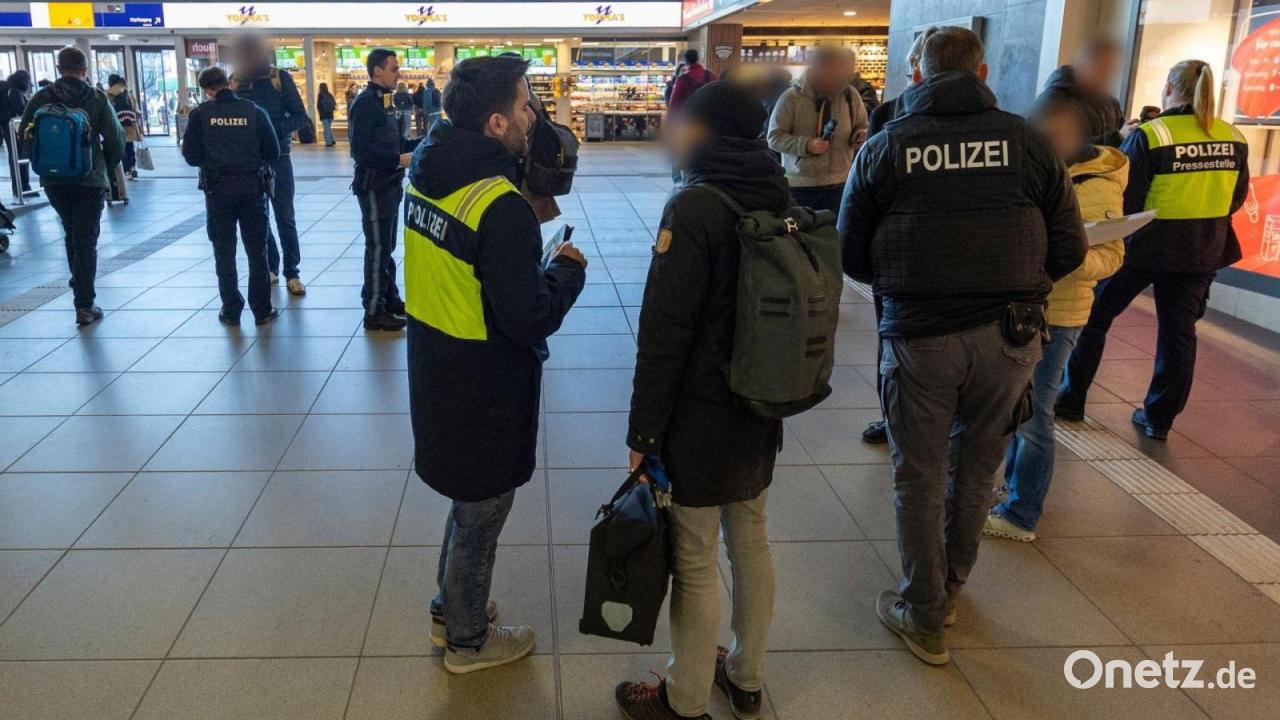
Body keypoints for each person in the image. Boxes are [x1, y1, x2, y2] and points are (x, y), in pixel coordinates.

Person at [839, 27, 1087, 666]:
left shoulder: (886, 146)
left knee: (917, 474)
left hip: (920, 337)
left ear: (915, 75)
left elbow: (851, 253)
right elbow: (1070, 248)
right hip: (1011, 338)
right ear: (981, 69)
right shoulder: (1028, 142)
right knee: (979, 467)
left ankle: (923, 615)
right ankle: (949, 590)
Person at [404, 54, 587, 674]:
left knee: (464, 505)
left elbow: (473, 277)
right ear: (497, 124)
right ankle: (467, 641)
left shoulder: (428, 173)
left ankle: (446, 607)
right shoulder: (498, 204)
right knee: (482, 515)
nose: (534, 113)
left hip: (436, 363)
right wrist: (565, 272)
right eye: (525, 105)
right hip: (483, 382)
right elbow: (529, 317)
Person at [613, 81, 786, 720]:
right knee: (751, 538)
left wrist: (643, 430)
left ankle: (682, 699)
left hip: (701, 413)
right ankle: (745, 675)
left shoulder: (694, 207)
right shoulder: (775, 191)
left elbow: (664, 336)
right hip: (762, 400)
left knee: (694, 554)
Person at [1056, 60, 1248, 440]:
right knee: (1179, 335)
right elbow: (1237, 197)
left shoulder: (1153, 134)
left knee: (1095, 318)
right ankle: (1159, 418)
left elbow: (1126, 194)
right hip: (1201, 250)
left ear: (1169, 88)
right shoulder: (1233, 136)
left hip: (1145, 247)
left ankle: (1071, 401)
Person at [983, 101, 1127, 542]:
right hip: (1015, 308)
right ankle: (1011, 491)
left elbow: (1110, 256)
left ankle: (1021, 514)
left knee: (1034, 414)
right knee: (1012, 408)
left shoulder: (1098, 184)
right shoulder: (1031, 166)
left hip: (1058, 314)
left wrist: (1056, 252)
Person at [860, 26, 940, 446]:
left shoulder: (889, 117)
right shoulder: (1004, 129)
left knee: (894, 341)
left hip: (900, 257)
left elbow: (866, 198)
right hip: (962, 262)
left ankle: (894, 419)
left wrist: (865, 261)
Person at [19, 47, 124, 326]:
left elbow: (24, 134)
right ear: (85, 69)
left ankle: (79, 284)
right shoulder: (96, 97)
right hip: (89, 179)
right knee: (86, 239)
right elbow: (115, 139)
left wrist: (43, 161)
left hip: (54, 180)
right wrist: (107, 168)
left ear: (58, 67)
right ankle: (85, 304)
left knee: (71, 231)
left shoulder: (42, 97)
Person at [181, 66, 281, 327]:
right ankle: (262, 310)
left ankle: (231, 309)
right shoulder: (254, 111)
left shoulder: (200, 115)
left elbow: (191, 157)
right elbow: (273, 150)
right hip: (252, 190)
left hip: (218, 192)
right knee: (257, 252)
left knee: (224, 252)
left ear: (207, 90)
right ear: (228, 83)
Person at [349, 49, 424, 332]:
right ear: (377, 71)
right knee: (378, 248)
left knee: (387, 246)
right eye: (393, 68)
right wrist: (397, 160)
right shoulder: (366, 103)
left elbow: (392, 140)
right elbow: (361, 151)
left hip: (389, 184)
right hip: (374, 184)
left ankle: (389, 297)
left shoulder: (384, 101)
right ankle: (373, 310)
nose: (398, 73)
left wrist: (417, 145)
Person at [231, 34, 310, 296]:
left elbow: (301, 117)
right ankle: (271, 267)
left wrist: (272, 129)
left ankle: (293, 272)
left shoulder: (279, 78)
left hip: (280, 157)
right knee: (258, 217)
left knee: (284, 216)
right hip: (250, 160)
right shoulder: (237, 81)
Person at [768, 45, 868, 213]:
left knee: (836, 235)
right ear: (816, 68)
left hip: (842, 183)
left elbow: (862, 125)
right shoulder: (792, 98)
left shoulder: (850, 95)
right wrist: (806, 145)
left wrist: (859, 135)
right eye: (831, 71)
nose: (836, 77)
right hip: (801, 187)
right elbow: (774, 138)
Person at [1035, 36, 1127, 146]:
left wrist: (1131, 132)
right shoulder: (1053, 101)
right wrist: (1117, 137)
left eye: (1111, 72)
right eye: (1101, 69)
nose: (1106, 77)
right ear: (1083, 64)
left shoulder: (1111, 103)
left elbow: (1120, 128)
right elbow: (1051, 149)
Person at [667, 50, 717, 186]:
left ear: (686, 61)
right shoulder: (711, 76)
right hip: (708, 124)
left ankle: (681, 182)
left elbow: (674, 103)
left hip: (687, 124)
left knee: (682, 152)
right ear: (699, 59)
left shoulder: (683, 79)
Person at [1, 70, 34, 193]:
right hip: (15, 129)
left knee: (13, 157)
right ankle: (23, 187)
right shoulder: (15, 92)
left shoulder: (6, 89)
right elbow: (21, 111)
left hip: (6, 128)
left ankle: (18, 187)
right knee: (21, 156)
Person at [106, 74, 140, 179]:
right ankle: (133, 167)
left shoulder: (109, 94)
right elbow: (135, 109)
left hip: (118, 125)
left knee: (122, 148)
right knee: (130, 147)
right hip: (130, 123)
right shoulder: (127, 93)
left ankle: (127, 170)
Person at [316, 82, 337, 147]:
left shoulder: (320, 95)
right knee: (329, 128)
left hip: (324, 114)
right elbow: (334, 103)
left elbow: (318, 105)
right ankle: (332, 140)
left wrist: (319, 112)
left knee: (326, 128)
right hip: (330, 114)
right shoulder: (330, 94)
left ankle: (328, 142)